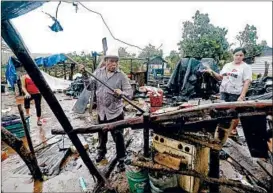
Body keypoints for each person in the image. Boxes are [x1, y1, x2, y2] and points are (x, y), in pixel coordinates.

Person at [80, 54, 133, 171]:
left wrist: (122, 93)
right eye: (111, 61)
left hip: (115, 113)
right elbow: (89, 87)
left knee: (118, 136)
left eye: (116, 62)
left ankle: (121, 159)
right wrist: (84, 74)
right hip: (101, 111)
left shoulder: (121, 76)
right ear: (105, 61)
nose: (114, 64)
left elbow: (130, 93)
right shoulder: (98, 73)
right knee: (101, 134)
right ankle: (101, 152)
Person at [203, 48, 252, 135]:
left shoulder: (246, 67)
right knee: (222, 111)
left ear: (243, 56)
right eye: (236, 55)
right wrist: (211, 71)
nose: (238, 57)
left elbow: (247, 82)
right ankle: (222, 129)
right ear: (233, 55)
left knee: (234, 113)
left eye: (241, 55)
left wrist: (242, 95)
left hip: (236, 93)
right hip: (224, 92)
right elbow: (220, 77)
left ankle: (232, 130)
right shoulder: (227, 65)